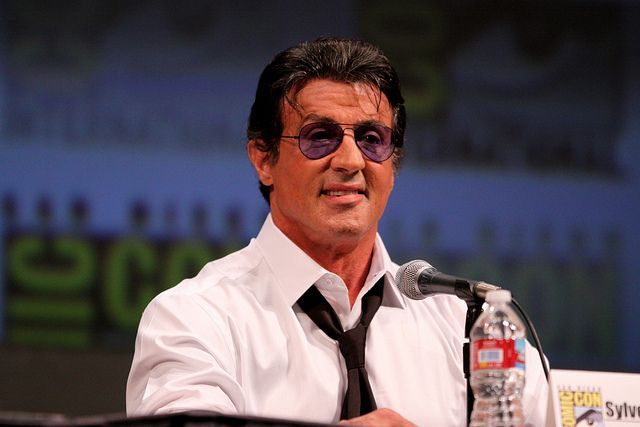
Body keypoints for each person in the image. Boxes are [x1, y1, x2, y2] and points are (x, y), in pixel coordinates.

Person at [126, 37, 548, 426]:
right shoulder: (196, 317)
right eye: (320, 136)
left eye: (371, 138)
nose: (350, 161)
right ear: (264, 159)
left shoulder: (466, 325)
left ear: (393, 164)